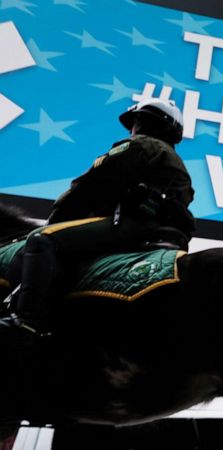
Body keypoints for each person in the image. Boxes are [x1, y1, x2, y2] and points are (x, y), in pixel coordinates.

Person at [0, 98, 195, 335]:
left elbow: (90, 185)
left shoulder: (141, 146)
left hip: (132, 226)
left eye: (135, 122)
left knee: (43, 239)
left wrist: (59, 216)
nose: (133, 128)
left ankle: (28, 320)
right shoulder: (175, 162)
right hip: (168, 235)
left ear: (142, 122)